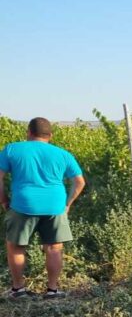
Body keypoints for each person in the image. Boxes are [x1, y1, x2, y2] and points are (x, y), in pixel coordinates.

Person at [0, 117, 86, 298]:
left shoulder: (12, 149)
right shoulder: (63, 154)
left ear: (29, 132)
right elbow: (79, 182)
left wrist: (4, 200)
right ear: (50, 136)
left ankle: (18, 290)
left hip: (23, 204)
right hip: (55, 206)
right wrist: (67, 204)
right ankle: (52, 290)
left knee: (16, 247)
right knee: (54, 248)